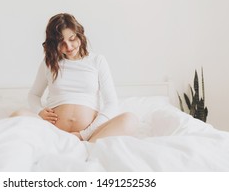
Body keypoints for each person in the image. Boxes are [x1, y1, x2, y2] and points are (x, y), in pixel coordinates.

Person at [12, 13, 138, 142]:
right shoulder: (49, 63)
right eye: (61, 43)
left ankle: (88, 144)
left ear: (79, 34)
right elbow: (34, 95)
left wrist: (84, 134)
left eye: (72, 39)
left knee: (129, 120)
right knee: (18, 115)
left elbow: (111, 104)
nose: (69, 47)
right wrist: (39, 111)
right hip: (53, 131)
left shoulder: (97, 60)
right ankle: (55, 141)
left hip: (89, 135)